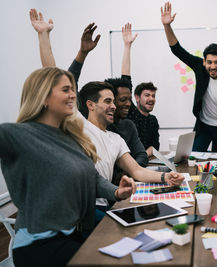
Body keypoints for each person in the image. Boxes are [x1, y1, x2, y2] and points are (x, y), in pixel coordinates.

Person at [29, 10, 184, 216]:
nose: (114, 106)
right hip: (82, 208)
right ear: (90, 105)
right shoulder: (78, 126)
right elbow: (52, 81)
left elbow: (137, 171)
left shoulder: (116, 138)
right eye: (108, 101)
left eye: (114, 101)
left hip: (107, 202)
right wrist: (44, 35)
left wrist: (167, 178)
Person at [0, 64, 135, 266]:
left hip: (74, 235)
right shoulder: (16, 134)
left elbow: (92, 177)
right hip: (39, 246)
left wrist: (117, 192)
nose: (73, 95)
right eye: (65, 90)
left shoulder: (70, 137)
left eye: (72, 89)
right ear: (43, 96)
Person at [161, 2, 217, 152]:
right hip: (203, 125)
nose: (213, 66)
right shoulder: (200, 68)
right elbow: (178, 51)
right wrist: (167, 26)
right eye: (209, 62)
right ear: (204, 62)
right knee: (193, 157)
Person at [105, 23, 148, 169]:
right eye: (123, 100)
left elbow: (142, 155)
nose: (128, 104)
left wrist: (130, 172)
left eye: (129, 99)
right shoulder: (99, 128)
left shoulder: (128, 124)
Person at [127, 81, 160, 157]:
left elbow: (155, 147)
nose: (151, 99)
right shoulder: (130, 113)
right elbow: (126, 83)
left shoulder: (153, 120)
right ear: (137, 97)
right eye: (147, 95)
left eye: (153, 96)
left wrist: (144, 156)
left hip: (145, 160)